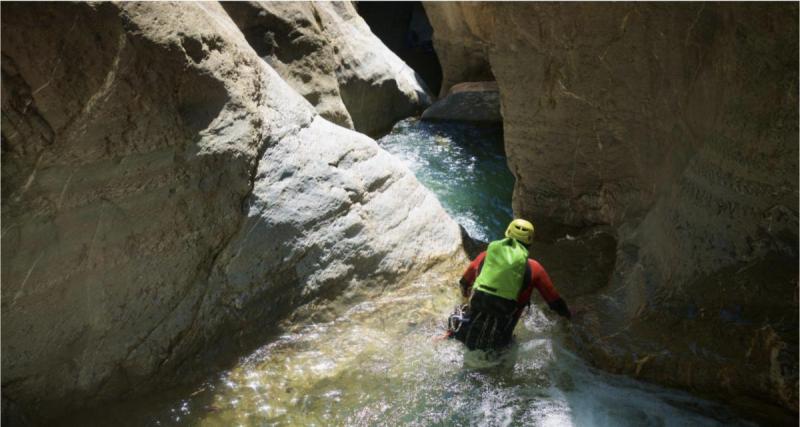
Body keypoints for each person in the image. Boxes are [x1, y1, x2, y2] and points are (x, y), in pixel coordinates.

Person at [447, 219, 571, 350]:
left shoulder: (486, 255)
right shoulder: (535, 269)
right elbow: (556, 303)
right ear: (530, 242)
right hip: (501, 336)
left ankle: (447, 334)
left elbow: (464, 283)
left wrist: (465, 298)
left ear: (507, 235)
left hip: (468, 326)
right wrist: (569, 319)